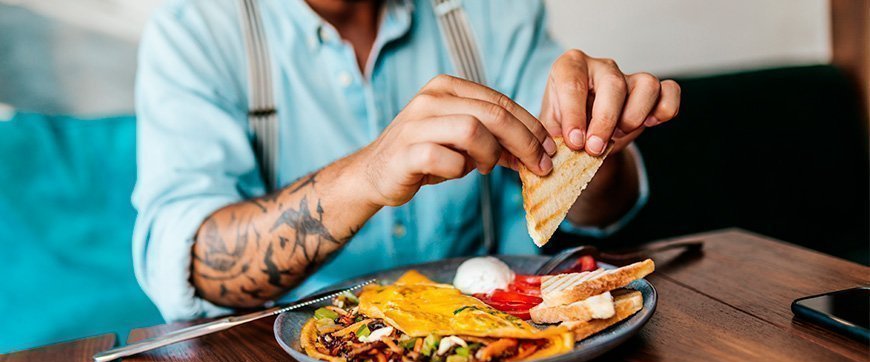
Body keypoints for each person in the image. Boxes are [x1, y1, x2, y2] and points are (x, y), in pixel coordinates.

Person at [133, 0, 680, 321]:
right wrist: (365, 177)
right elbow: (196, 264)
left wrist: (594, 147)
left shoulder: (492, 11)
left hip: (506, 340)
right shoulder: (197, 27)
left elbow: (591, 205)